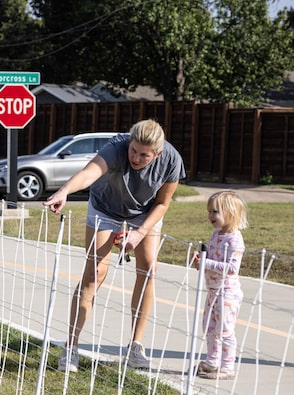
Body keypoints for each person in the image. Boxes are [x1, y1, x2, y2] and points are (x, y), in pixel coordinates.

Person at [43, 119, 186, 373]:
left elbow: (163, 203)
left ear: (158, 154)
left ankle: (135, 347)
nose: (136, 157)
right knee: (94, 272)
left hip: (145, 213)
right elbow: (90, 173)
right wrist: (64, 191)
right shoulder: (117, 146)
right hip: (105, 207)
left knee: (149, 269)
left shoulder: (172, 160)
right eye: (133, 150)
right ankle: (71, 348)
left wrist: (139, 234)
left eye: (144, 155)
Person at [192, 191, 248, 380]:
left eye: (215, 212)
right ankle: (212, 362)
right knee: (209, 327)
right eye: (209, 211)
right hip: (213, 291)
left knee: (224, 329)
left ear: (230, 213)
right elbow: (211, 258)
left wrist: (206, 264)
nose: (210, 216)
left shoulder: (235, 240)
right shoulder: (216, 234)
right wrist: (201, 259)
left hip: (227, 293)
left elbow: (232, 268)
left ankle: (227, 366)